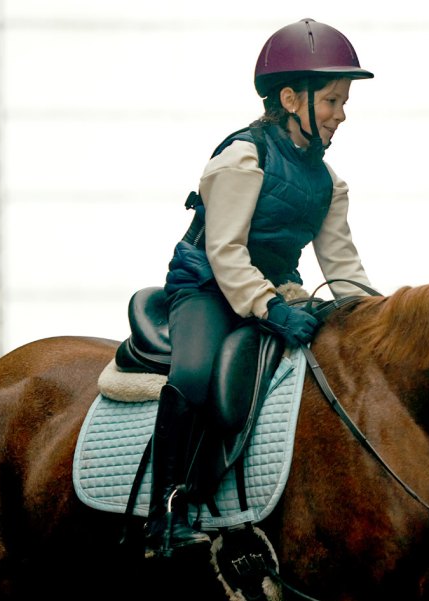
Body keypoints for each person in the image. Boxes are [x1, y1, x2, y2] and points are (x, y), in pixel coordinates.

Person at [144, 18, 376, 559]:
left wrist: (375, 317)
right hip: (206, 289)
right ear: (292, 98)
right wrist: (269, 306)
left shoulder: (328, 183)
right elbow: (226, 253)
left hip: (275, 297)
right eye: (332, 102)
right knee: (198, 373)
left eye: (344, 103)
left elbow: (342, 263)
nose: (341, 115)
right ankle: (166, 510)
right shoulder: (242, 159)